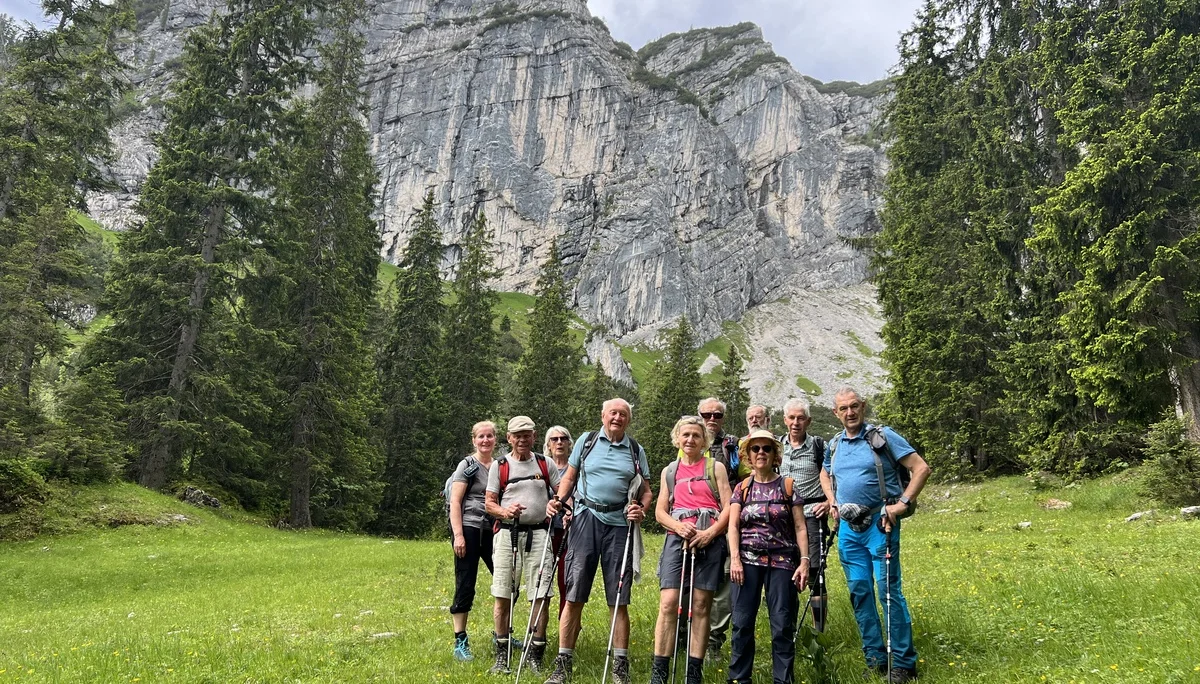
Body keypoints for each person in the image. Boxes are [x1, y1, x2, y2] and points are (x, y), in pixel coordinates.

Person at [819, 388, 931, 684]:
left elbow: (920, 468)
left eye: (854, 406)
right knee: (860, 592)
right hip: (848, 529)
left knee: (888, 591)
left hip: (881, 524)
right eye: (843, 408)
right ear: (836, 413)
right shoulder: (835, 444)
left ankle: (903, 663)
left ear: (863, 407)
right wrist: (832, 500)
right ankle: (876, 659)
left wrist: (901, 504)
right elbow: (824, 473)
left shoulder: (882, 436)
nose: (850, 412)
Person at [544, 398, 653, 684]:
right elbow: (570, 476)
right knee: (574, 593)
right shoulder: (587, 440)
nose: (617, 417)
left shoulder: (635, 449)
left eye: (623, 414)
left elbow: (647, 491)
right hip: (586, 520)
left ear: (628, 419)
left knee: (618, 599)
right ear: (603, 415)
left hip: (620, 526)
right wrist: (558, 500)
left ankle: (620, 667)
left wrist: (641, 508)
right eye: (613, 413)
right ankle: (563, 663)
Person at [649, 416, 733, 684]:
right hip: (678, 538)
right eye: (685, 435)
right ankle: (659, 672)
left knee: (700, 604)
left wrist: (710, 533)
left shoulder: (715, 467)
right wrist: (678, 525)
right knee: (669, 603)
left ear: (704, 440)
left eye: (696, 435)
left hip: (709, 537)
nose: (690, 440)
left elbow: (729, 507)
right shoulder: (669, 471)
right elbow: (660, 511)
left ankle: (693, 673)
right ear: (677, 438)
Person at [727, 429, 809, 684]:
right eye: (755, 449)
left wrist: (804, 561)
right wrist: (735, 559)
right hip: (747, 562)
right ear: (748, 456)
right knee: (741, 624)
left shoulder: (788, 486)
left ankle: (783, 680)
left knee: (783, 625)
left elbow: (800, 527)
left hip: (783, 562)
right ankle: (740, 679)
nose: (761, 453)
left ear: (775, 455)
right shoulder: (741, 488)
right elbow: (733, 527)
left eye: (767, 448)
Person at [485, 416, 562, 674]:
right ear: (509, 438)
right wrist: (506, 512)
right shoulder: (501, 466)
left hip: (540, 534)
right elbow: (489, 504)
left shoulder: (545, 462)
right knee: (503, 594)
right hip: (507, 534)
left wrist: (557, 504)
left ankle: (535, 654)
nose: (521, 439)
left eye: (526, 435)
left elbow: (562, 492)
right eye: (517, 435)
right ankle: (502, 656)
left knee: (541, 596)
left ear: (534, 436)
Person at [778, 398, 831, 632]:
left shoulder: (820, 446)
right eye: (791, 418)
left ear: (808, 421)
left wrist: (830, 502)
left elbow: (834, 476)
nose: (796, 422)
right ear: (785, 420)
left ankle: (818, 630)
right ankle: (786, 626)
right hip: (782, 517)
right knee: (785, 570)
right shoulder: (776, 446)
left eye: (801, 418)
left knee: (815, 571)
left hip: (811, 513)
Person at [697, 396, 745, 658]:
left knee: (725, 580)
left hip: (728, 521)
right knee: (693, 578)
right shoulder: (689, 441)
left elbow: (747, 479)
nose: (712, 420)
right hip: (694, 520)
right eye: (707, 415)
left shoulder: (733, 445)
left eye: (717, 415)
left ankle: (714, 640)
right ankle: (688, 635)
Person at [448, 420, 498, 662]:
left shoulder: (500, 465)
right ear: (474, 440)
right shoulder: (467, 465)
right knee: (465, 582)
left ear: (495, 439)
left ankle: (502, 633)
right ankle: (460, 640)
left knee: (504, 581)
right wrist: (458, 535)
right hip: (468, 528)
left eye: (489, 436)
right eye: (481, 437)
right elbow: (455, 501)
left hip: (495, 530)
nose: (485, 440)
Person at [544, 425, 575, 617]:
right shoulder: (542, 467)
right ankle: (540, 630)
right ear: (548, 444)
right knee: (544, 582)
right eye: (554, 439)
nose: (559, 442)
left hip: (570, 533)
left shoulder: (576, 469)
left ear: (569, 443)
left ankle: (567, 626)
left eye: (563, 438)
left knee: (567, 581)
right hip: (546, 531)